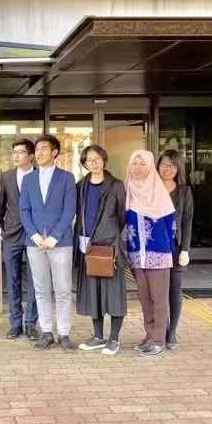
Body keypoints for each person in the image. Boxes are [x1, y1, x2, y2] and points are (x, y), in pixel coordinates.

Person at [19, 134, 77, 352]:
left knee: (63, 290)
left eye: (44, 148)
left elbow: (69, 209)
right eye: (37, 149)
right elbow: (24, 210)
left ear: (54, 152)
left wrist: (55, 236)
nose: (39, 152)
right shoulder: (28, 179)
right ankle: (46, 333)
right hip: (35, 243)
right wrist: (34, 235)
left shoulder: (67, 178)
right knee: (41, 289)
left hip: (60, 243)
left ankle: (64, 334)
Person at [74, 145, 128, 356]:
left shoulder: (116, 185)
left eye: (97, 159)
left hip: (109, 247)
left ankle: (114, 339)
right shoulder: (81, 186)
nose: (93, 163)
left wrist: (109, 233)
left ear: (104, 160)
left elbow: (122, 217)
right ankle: (98, 337)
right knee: (93, 294)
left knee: (113, 294)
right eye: (89, 160)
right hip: (86, 245)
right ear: (84, 164)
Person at [125, 150, 177, 357]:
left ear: (150, 167)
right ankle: (149, 336)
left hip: (159, 254)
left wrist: (168, 252)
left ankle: (159, 340)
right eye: (134, 163)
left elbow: (171, 226)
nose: (138, 168)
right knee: (145, 299)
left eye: (142, 164)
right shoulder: (127, 190)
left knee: (159, 299)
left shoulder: (159, 192)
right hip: (137, 255)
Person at [0, 138, 39, 341]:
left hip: (35, 234)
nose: (15, 155)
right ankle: (15, 324)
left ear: (31, 156)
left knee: (35, 280)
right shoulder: (6, 177)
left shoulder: (40, 175)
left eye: (20, 152)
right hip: (11, 233)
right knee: (12, 280)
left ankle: (31, 324)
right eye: (14, 152)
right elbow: (0, 204)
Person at [158, 149, 193, 351]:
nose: (167, 168)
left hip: (176, 247)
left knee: (175, 289)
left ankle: (171, 333)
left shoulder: (184, 192)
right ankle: (159, 330)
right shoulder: (151, 188)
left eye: (172, 165)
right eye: (164, 164)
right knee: (158, 291)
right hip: (155, 247)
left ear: (178, 168)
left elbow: (187, 222)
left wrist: (185, 249)